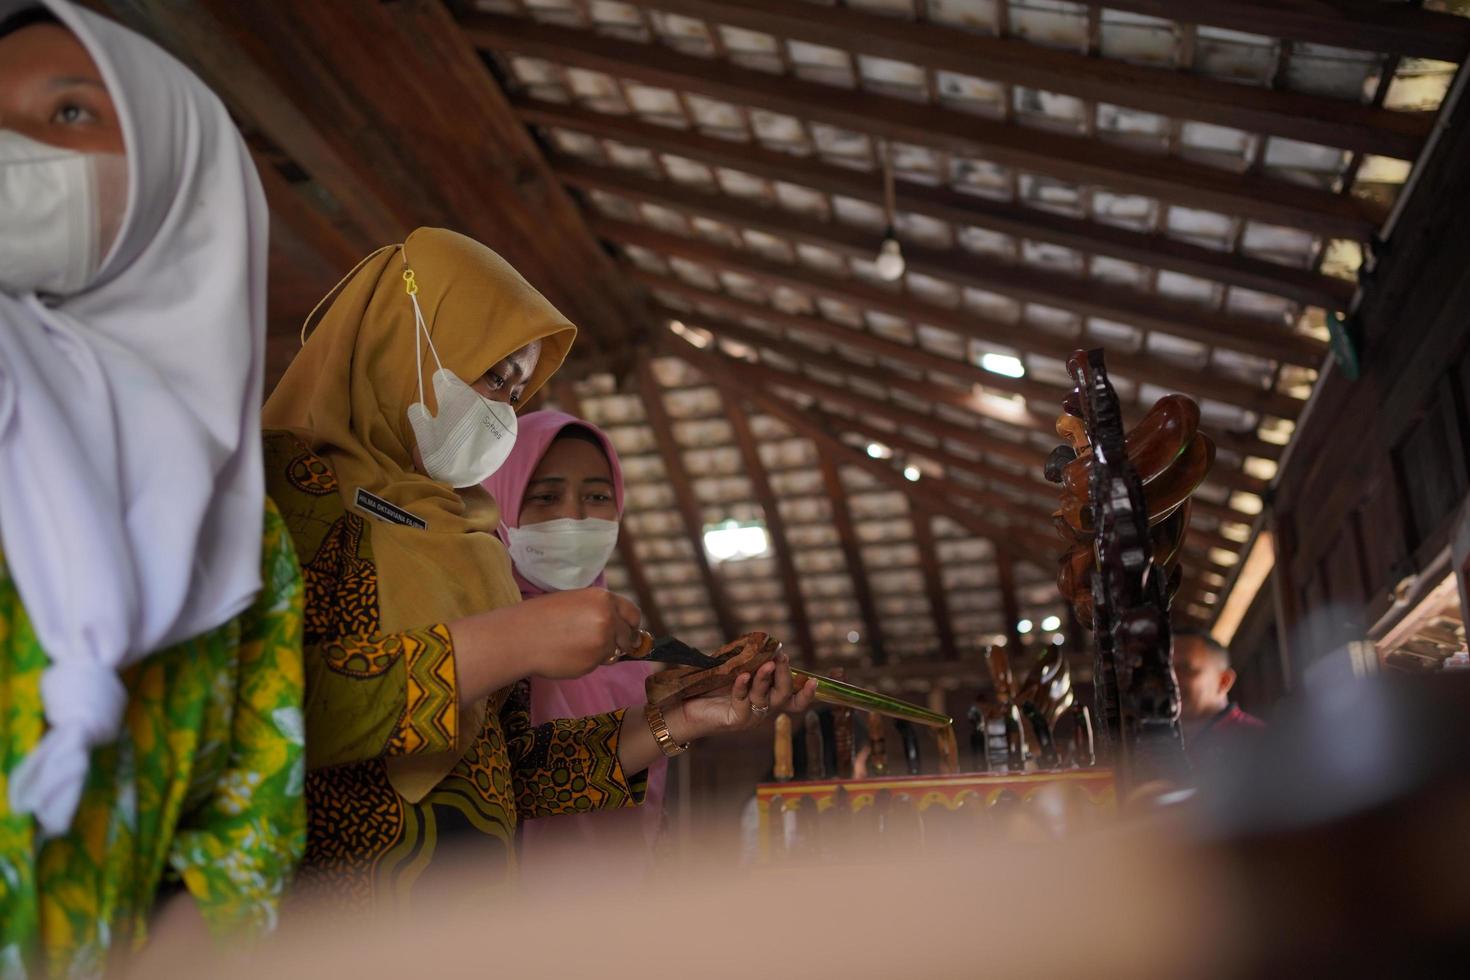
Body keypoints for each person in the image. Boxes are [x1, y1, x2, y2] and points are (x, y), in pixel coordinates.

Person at [262, 227, 815, 909]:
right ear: (405, 333)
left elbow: (508, 772)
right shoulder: (277, 493)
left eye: (516, 394)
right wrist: (513, 641)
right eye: (496, 376)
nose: (500, 411)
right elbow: (262, 713)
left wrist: (682, 719)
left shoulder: (465, 529)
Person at [0, 2, 306, 973]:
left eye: (71, 114)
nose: (11, 147)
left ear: (178, 185)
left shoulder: (242, 529)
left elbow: (246, 834)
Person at [481, 411, 665, 888]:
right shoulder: (474, 640)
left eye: (598, 496)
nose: (576, 517)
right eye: (545, 496)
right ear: (498, 499)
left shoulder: (635, 664)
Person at [1173, 630, 1265, 771]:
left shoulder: (1259, 741)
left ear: (1223, 681)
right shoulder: (1159, 745)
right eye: (1168, 669)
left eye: (1185, 669)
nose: (1172, 680)